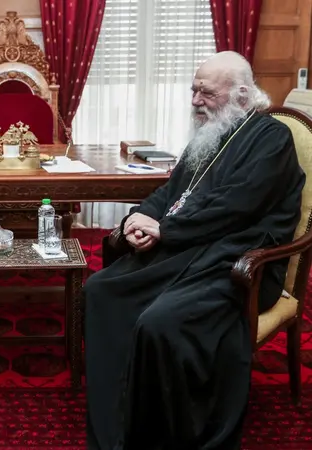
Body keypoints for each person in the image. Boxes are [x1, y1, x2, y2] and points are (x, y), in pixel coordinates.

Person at [84, 51, 305, 450]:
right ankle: (118, 420)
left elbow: (235, 207)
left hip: (235, 261)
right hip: (187, 249)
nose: (196, 101)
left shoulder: (272, 139)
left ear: (241, 95)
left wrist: (165, 229)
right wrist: (140, 216)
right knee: (99, 291)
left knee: (160, 323)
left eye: (206, 93)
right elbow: (173, 191)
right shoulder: (211, 134)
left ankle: (160, 433)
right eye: (193, 91)